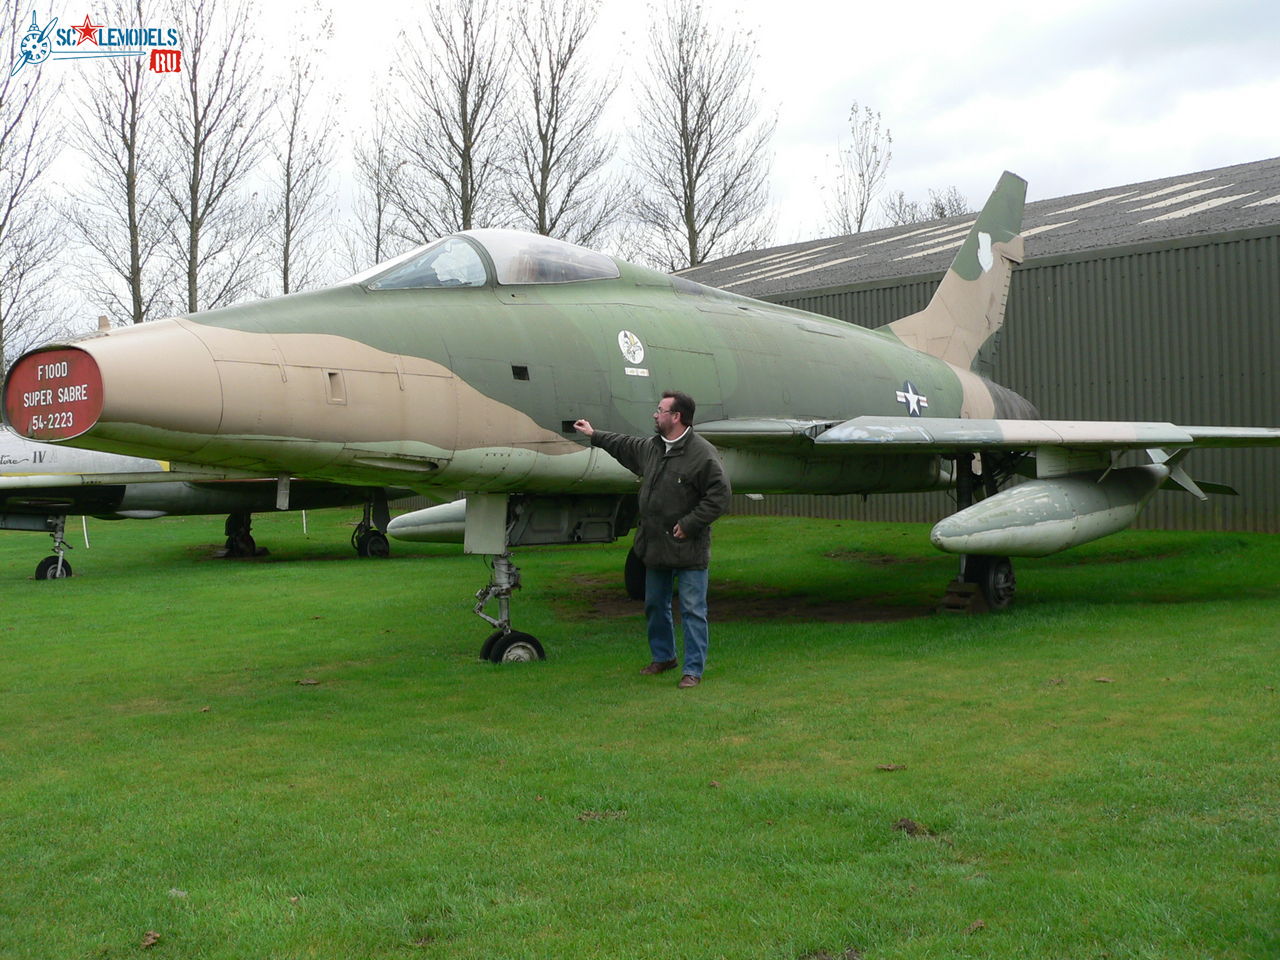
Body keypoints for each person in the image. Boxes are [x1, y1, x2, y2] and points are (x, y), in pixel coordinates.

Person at [573, 391, 731, 688]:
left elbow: (720, 496)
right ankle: (664, 657)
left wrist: (690, 524)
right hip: (655, 546)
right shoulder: (652, 448)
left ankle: (693, 671)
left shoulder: (702, 453)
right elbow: (622, 445)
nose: (655, 415)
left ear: (676, 417)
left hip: (689, 548)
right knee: (655, 605)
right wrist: (594, 435)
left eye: (660, 410)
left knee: (693, 611)